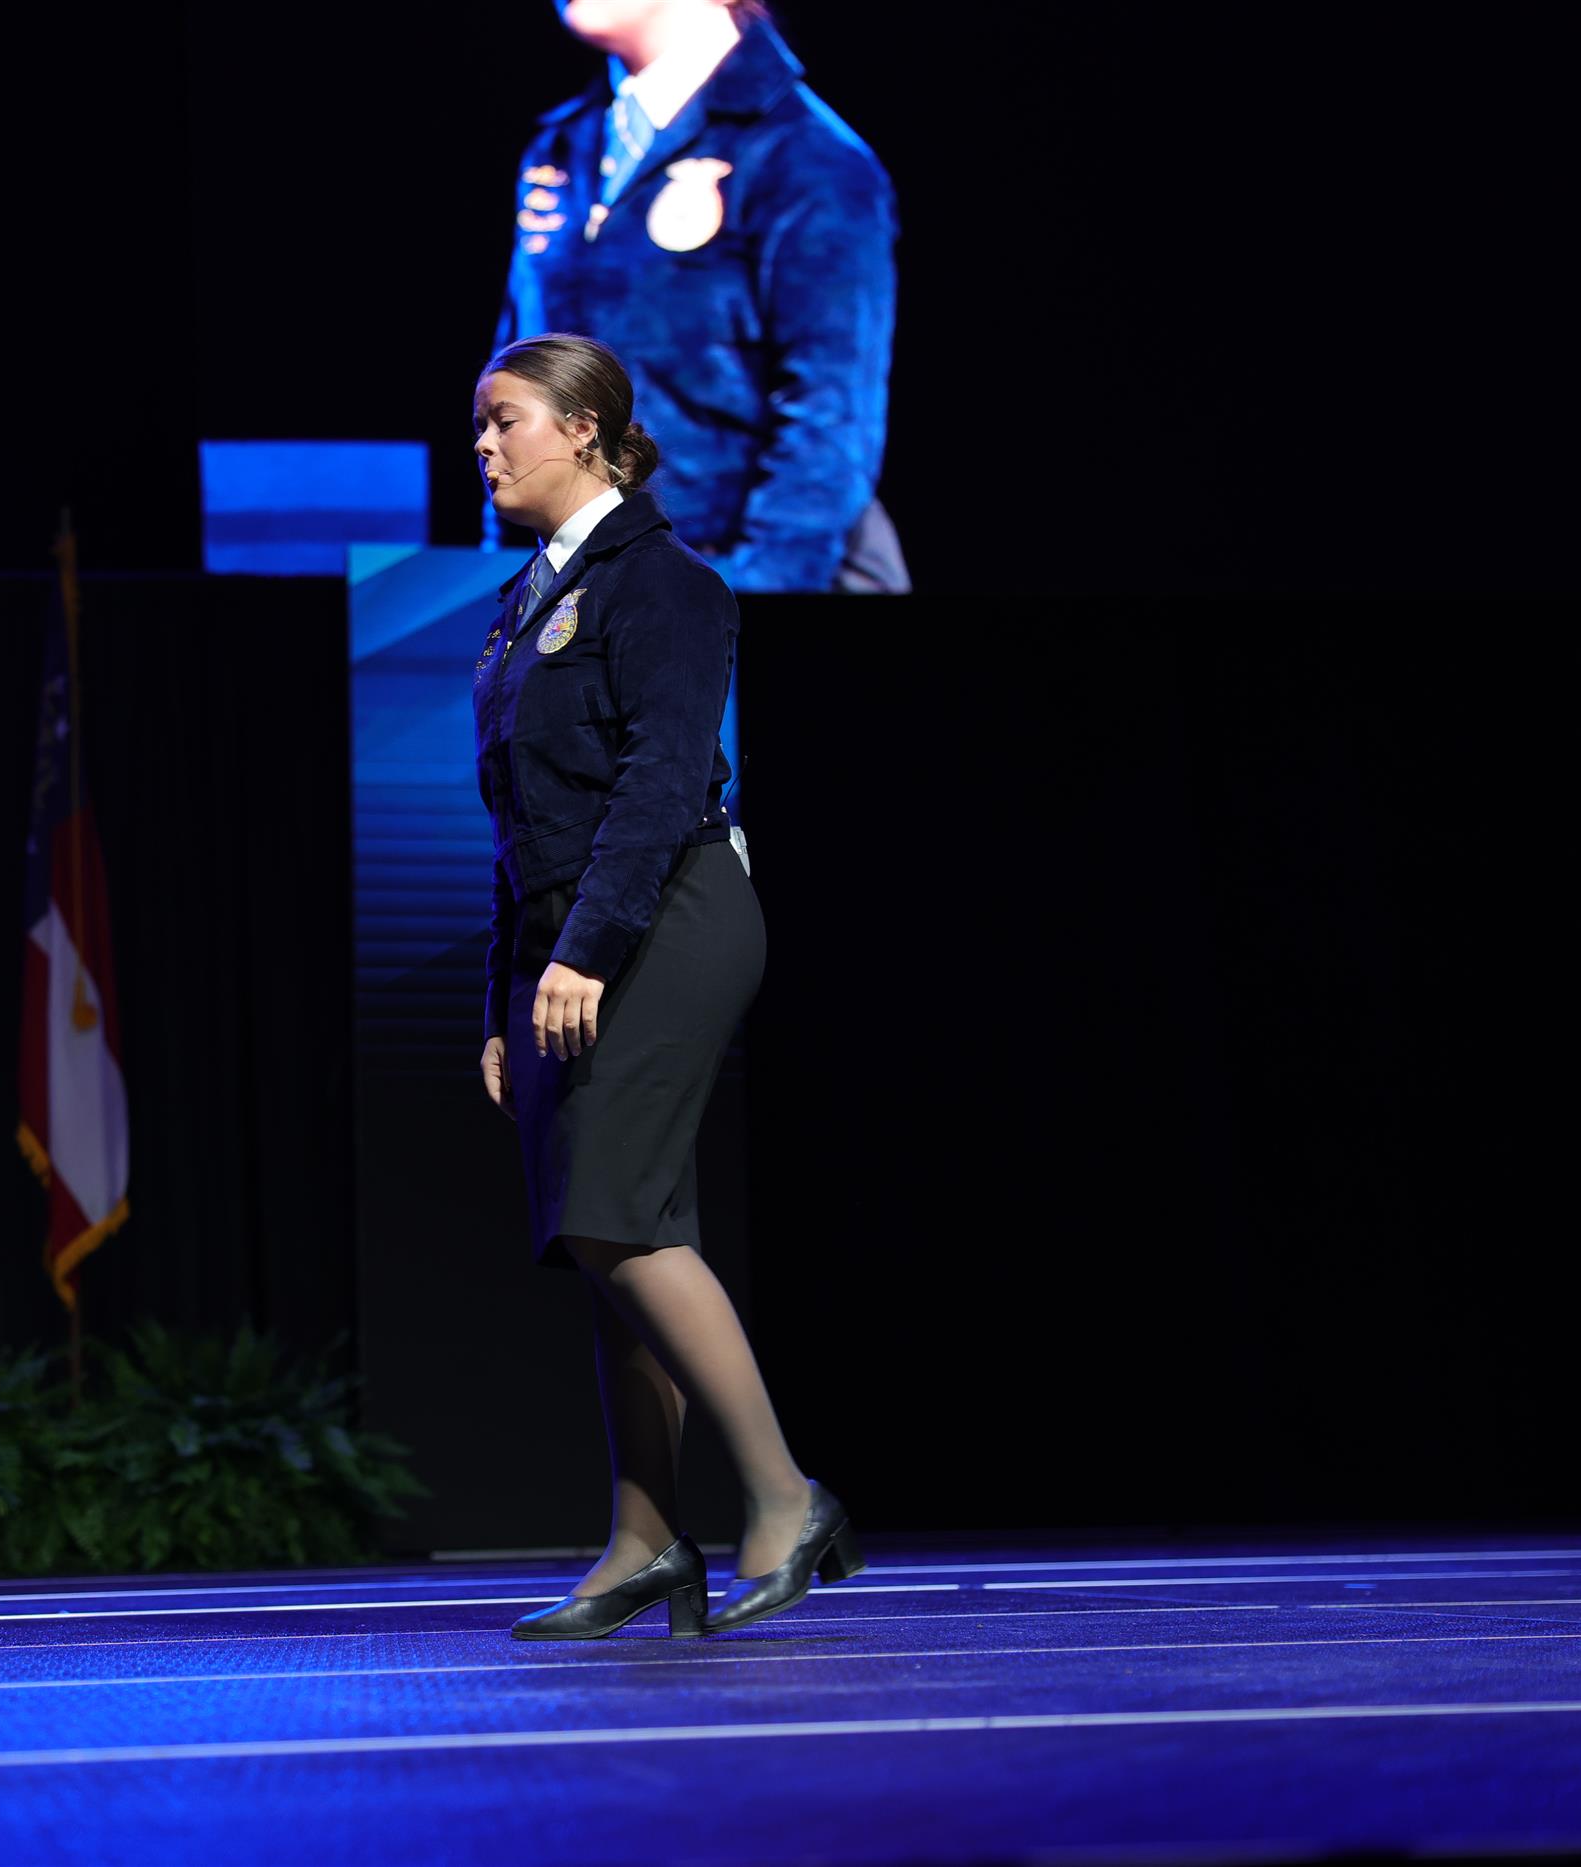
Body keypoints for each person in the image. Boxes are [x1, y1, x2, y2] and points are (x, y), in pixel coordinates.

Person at [470, 332, 861, 1639]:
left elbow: (659, 782)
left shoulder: (666, 582)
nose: (484, 446)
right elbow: (518, 818)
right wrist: (502, 994)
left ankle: (785, 1497)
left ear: (584, 428)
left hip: (670, 915)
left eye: (506, 420)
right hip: (567, 939)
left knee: (617, 1213)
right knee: (607, 1238)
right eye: (480, 426)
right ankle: (645, 1542)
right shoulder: (523, 601)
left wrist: (583, 950)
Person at [490, 0, 906, 593]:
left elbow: (831, 420)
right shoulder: (563, 145)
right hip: (581, 590)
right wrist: (505, 583)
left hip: (738, 582)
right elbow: (516, 378)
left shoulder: (806, 156)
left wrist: (744, 601)